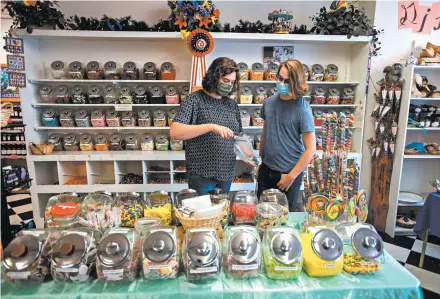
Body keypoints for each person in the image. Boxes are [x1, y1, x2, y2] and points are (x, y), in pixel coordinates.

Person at [170, 57, 242, 195]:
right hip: (201, 173)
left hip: (226, 172)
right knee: (203, 214)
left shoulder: (231, 105)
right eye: (225, 81)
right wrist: (210, 127)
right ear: (213, 77)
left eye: (232, 82)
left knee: (220, 213)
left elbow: (238, 136)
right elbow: (175, 132)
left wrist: (249, 155)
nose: (229, 85)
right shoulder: (194, 100)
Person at [257, 59, 316, 211]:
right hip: (266, 169)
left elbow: (310, 149)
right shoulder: (269, 102)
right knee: (263, 215)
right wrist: (260, 159)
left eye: (286, 81)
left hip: (288, 173)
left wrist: (290, 177)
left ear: (296, 82)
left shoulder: (302, 109)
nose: (281, 83)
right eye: (279, 78)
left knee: (284, 220)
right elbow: (265, 132)